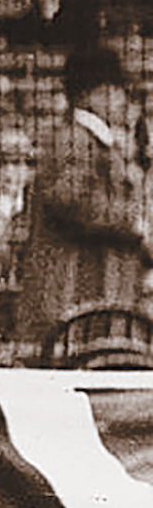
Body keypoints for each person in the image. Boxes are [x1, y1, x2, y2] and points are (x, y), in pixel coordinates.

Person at [14, 45, 153, 342]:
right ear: (96, 93)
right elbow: (73, 203)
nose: (121, 101)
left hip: (85, 291)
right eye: (118, 92)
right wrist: (133, 224)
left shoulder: (89, 141)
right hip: (68, 291)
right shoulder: (75, 139)